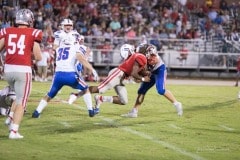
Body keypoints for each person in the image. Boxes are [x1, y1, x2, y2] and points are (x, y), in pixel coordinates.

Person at [32, 18, 99, 118]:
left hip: (58, 75)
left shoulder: (58, 48)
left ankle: (37, 112)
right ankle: (90, 110)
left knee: (50, 95)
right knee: (85, 89)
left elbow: (54, 48)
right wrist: (92, 69)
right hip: (70, 74)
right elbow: (81, 58)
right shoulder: (75, 46)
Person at [68, 44, 151, 112]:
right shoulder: (141, 56)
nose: (148, 53)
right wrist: (143, 78)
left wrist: (143, 75)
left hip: (123, 78)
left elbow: (135, 78)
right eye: (147, 51)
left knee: (124, 101)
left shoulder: (138, 57)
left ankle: (100, 99)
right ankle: (76, 94)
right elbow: (134, 73)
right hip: (119, 73)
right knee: (101, 89)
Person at [0, 9, 42, 139]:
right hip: (23, 70)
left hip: (8, 70)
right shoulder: (34, 32)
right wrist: (26, 57)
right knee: (22, 101)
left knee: (18, 96)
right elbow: (38, 56)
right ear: (29, 20)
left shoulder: (7, 31)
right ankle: (14, 131)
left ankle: (10, 117)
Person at [121, 44, 183, 118]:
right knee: (141, 91)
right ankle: (134, 111)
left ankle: (177, 103)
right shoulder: (135, 57)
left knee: (160, 90)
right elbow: (137, 76)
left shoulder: (143, 49)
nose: (128, 58)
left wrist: (144, 71)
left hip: (159, 69)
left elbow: (155, 59)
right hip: (150, 71)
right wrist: (139, 76)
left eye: (129, 56)